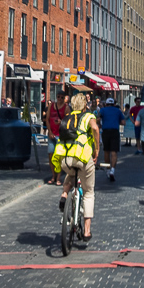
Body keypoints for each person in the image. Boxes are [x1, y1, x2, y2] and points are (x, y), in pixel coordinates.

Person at [54, 93, 99, 241]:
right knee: (88, 192)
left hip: (65, 158)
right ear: (85, 105)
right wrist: (96, 149)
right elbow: (95, 129)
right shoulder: (88, 116)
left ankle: (65, 194)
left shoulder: (67, 117)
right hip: (82, 158)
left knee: (71, 174)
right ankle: (87, 231)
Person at [44, 92, 69, 186]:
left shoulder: (66, 108)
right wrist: (49, 132)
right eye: (58, 96)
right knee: (50, 155)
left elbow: (68, 122)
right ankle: (53, 176)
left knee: (59, 157)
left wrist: (61, 122)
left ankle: (58, 178)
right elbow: (47, 119)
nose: (60, 98)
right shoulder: (51, 105)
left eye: (62, 97)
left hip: (61, 135)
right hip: (52, 134)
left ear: (64, 98)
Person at [99, 97, 123, 181]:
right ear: (114, 104)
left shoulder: (103, 110)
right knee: (114, 151)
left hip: (105, 131)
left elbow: (98, 119)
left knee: (106, 151)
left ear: (106, 104)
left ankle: (108, 169)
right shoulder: (118, 111)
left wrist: (100, 125)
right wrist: (116, 121)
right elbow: (123, 122)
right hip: (114, 131)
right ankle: (113, 170)